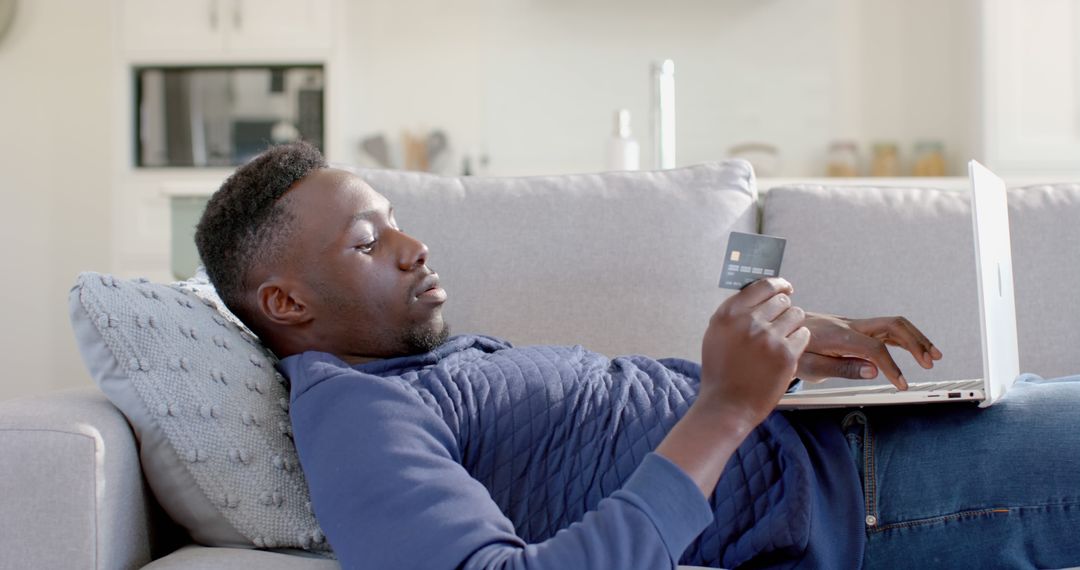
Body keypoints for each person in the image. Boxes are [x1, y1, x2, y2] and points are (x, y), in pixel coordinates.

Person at [194, 142, 1080, 569]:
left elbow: (615, 430)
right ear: (286, 303)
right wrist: (728, 408)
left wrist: (782, 361)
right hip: (861, 498)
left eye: (396, 219)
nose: (413, 246)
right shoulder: (352, 411)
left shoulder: (412, 370)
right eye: (366, 240)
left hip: (840, 444)